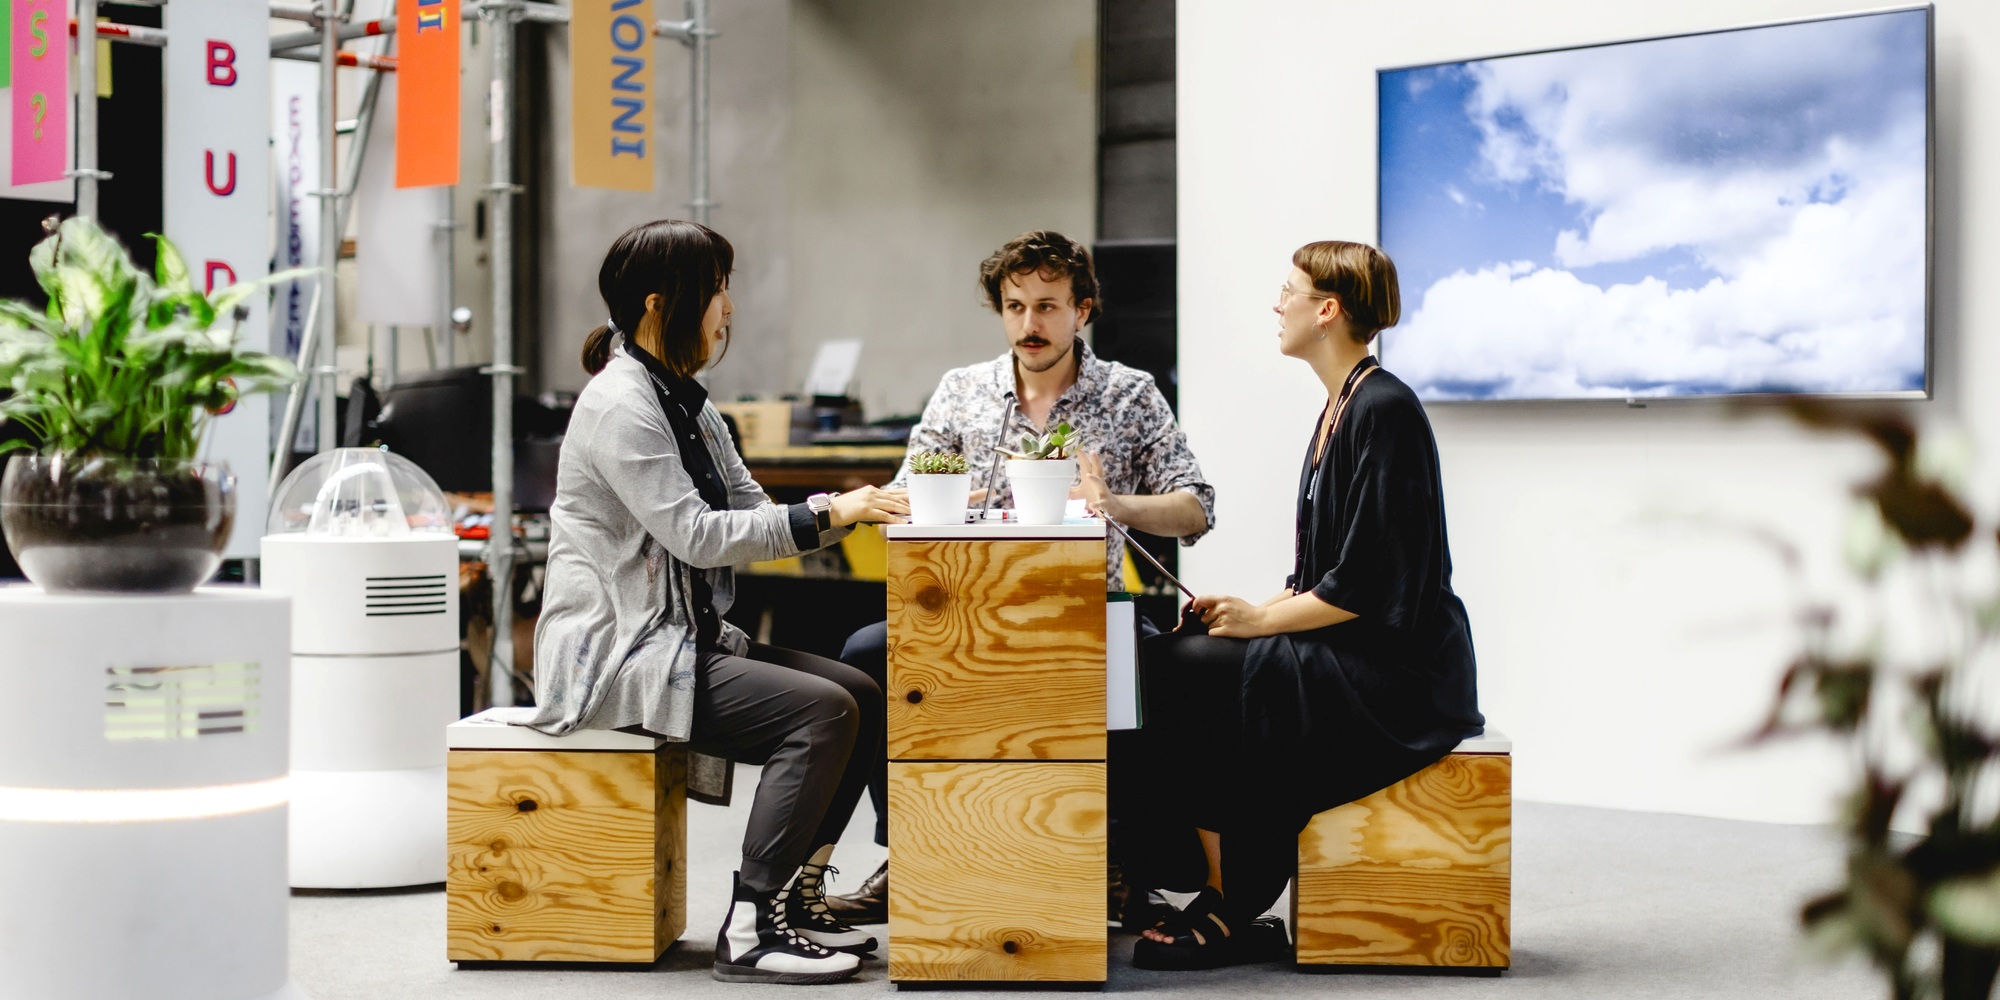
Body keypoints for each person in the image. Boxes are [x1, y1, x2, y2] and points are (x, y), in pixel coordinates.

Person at [527, 219, 910, 985]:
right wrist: (837, 510)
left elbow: (748, 509)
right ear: (660, 303)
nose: (729, 307)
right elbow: (699, 536)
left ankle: (797, 901)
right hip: (620, 656)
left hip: (682, 638)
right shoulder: (621, 407)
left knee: (861, 691)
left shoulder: (689, 405)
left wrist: (839, 513)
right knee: (822, 711)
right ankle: (751, 925)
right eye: (718, 289)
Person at [826, 229, 1216, 924]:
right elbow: (899, 497)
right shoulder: (962, 391)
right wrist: (935, 501)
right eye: (1014, 307)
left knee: (1150, 664)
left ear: (1083, 310)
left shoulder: (1129, 394)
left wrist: (1116, 504)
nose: (1029, 325)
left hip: (1088, 607)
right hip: (968, 609)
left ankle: (1115, 858)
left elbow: (1196, 507)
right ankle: (912, 850)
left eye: (1047, 306)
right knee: (864, 654)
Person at [1122, 241, 1484, 970]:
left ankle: (1232, 896)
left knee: (1183, 668)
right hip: (1358, 646)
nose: (1276, 304)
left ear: (1327, 311)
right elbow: (1321, 575)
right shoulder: (1341, 407)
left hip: (1402, 674)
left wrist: (1259, 623)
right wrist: (1245, 611)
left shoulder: (1384, 410)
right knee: (1172, 655)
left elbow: (1371, 585)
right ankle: (1215, 882)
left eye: (1288, 290)